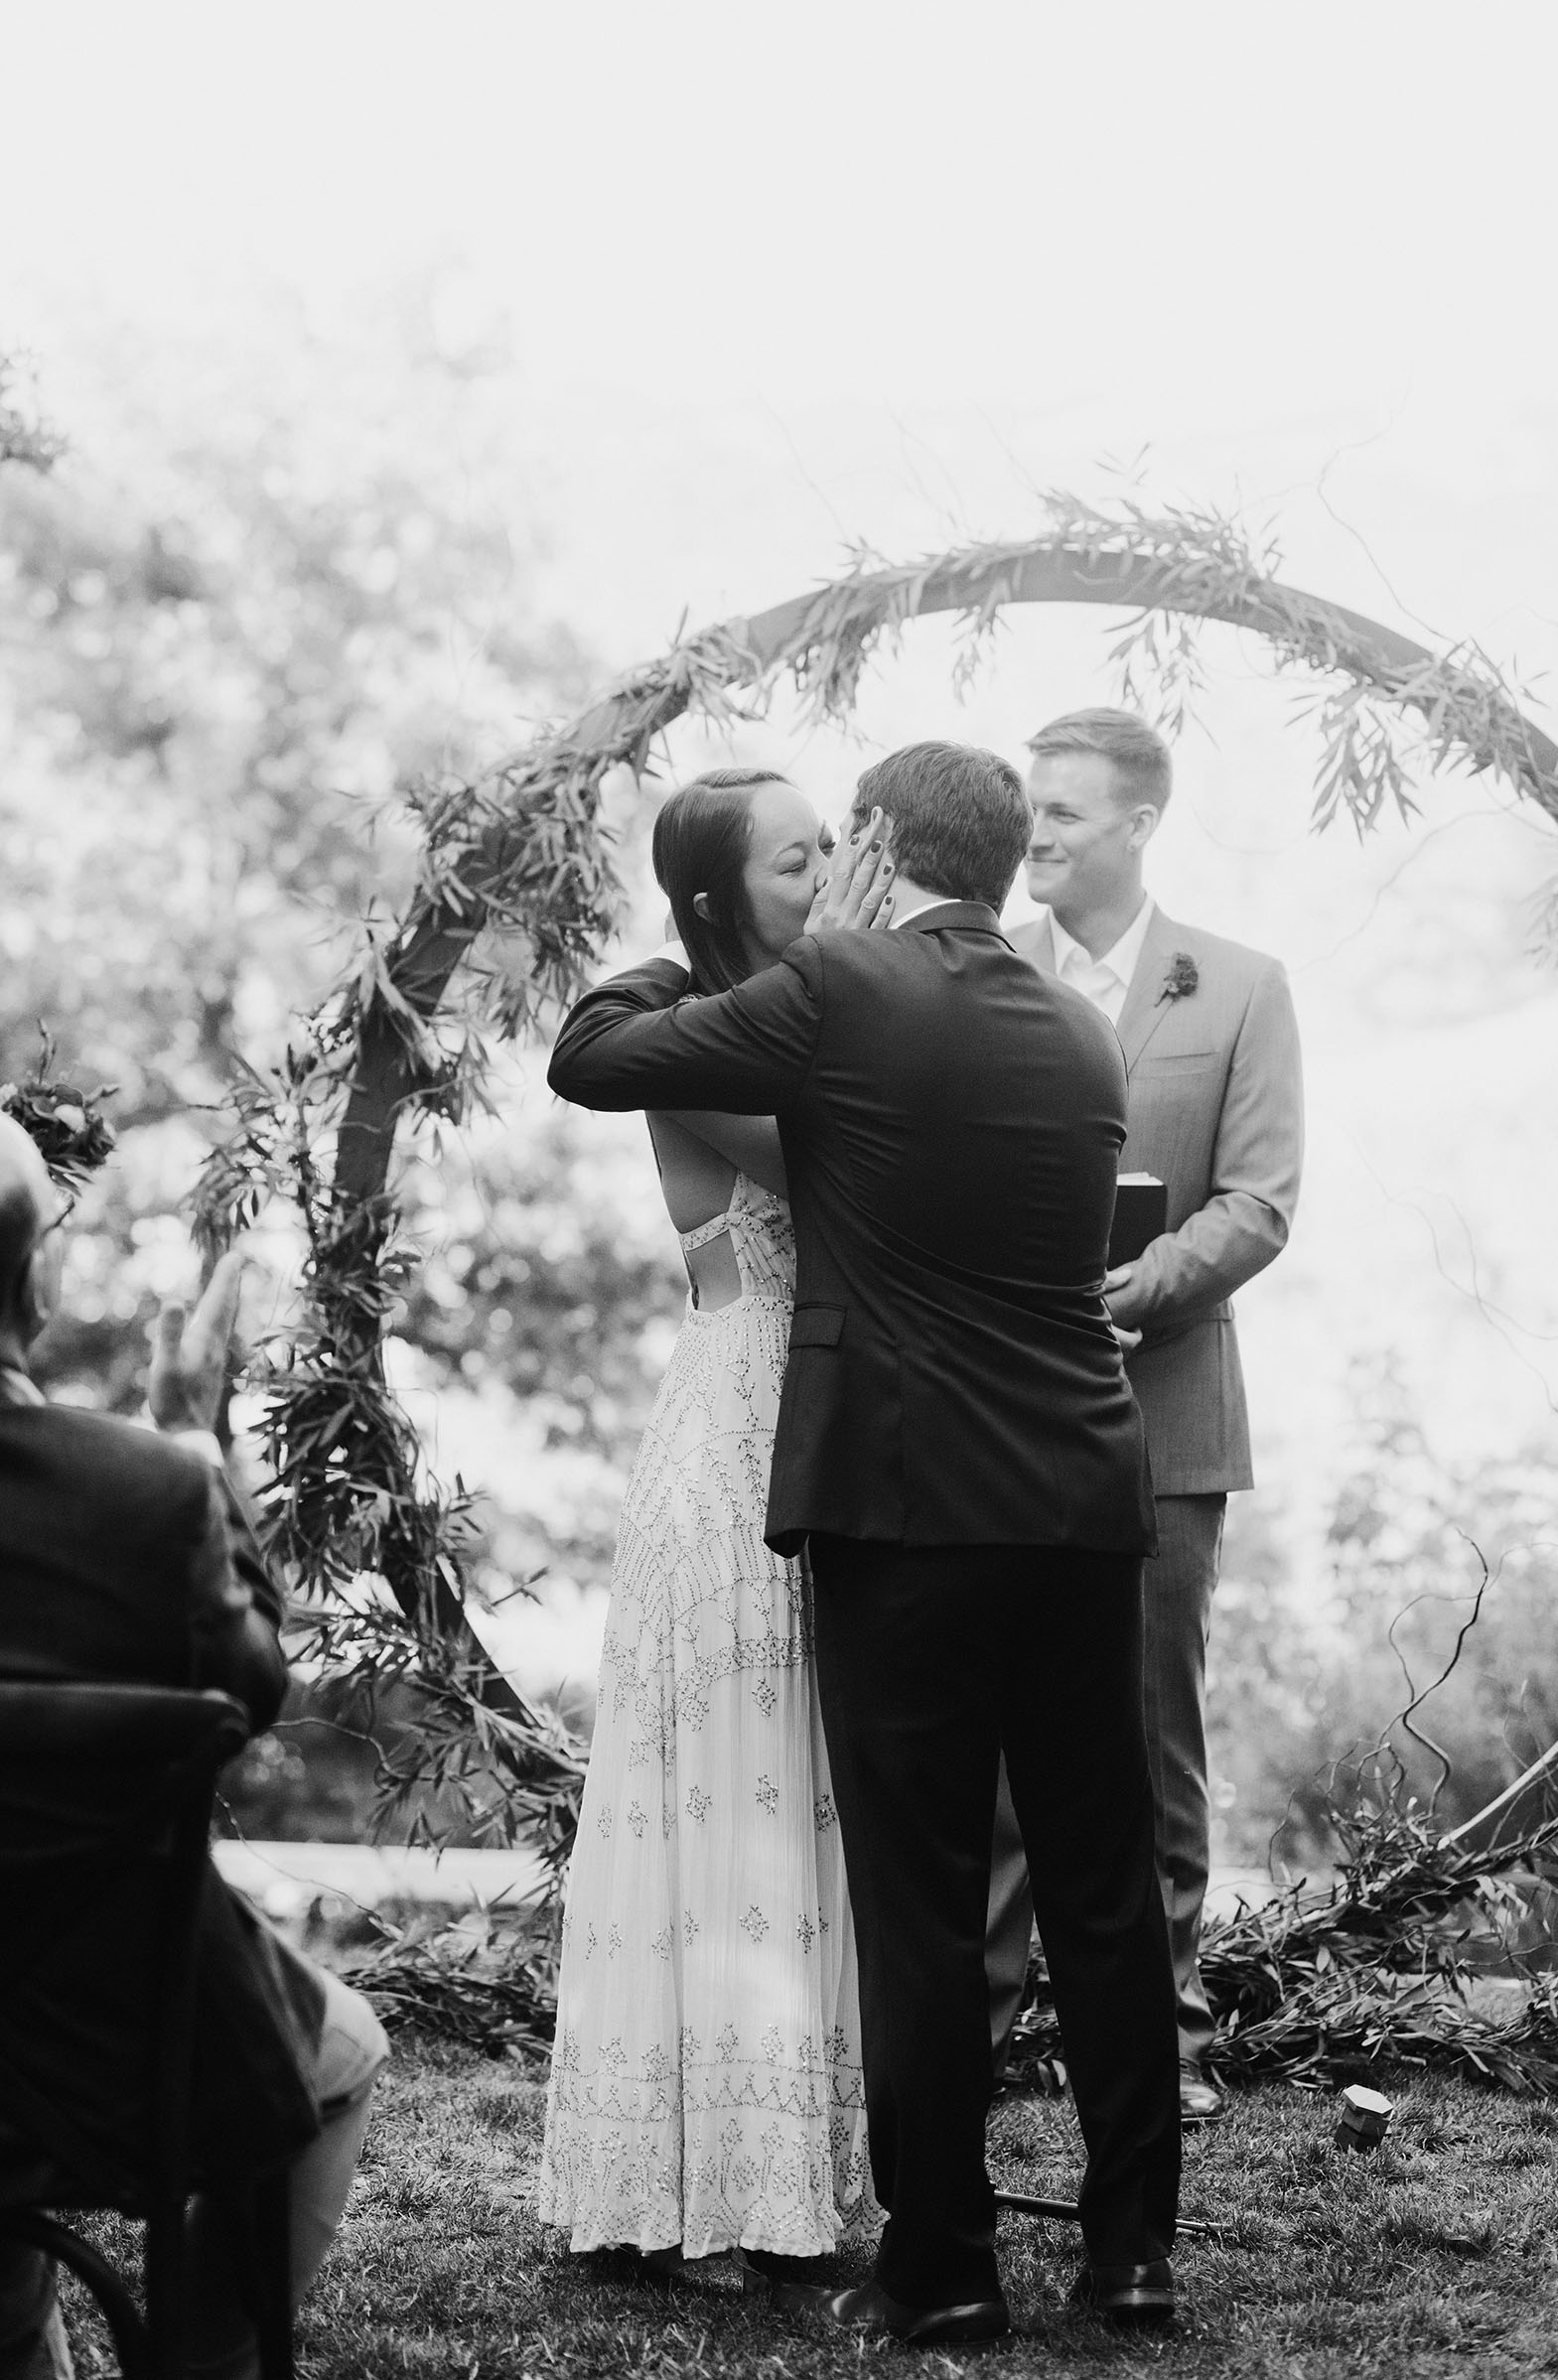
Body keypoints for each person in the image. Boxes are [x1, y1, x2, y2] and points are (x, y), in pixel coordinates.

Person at [548, 741, 1182, 2347]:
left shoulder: (839, 992)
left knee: (919, 1898)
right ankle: (1132, 2257)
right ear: (1006, 859)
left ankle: (948, 2262)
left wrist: (695, 934)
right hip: (1088, 1501)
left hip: (911, 1507)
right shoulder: (1079, 1030)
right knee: (1106, 1892)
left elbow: (596, 1054)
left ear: (886, 843)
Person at [531, 768, 893, 2276]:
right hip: (738, 1421)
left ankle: (793, 2169)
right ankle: (699, 2192)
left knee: (804, 1775)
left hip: (839, 1426)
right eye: (802, 857)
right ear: (715, 896)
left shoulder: (824, 1007)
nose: (831, 872)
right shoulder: (683, 1039)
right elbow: (838, 1154)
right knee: (729, 1776)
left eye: (835, 847)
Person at [0, 1116, 388, 2380]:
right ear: (37, 1279)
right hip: (96, 2053)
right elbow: (249, 1685)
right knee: (344, 2054)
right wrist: (194, 1439)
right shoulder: (140, 1496)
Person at [988, 707, 1304, 2123]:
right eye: (1027, 810)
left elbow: (1262, 1198)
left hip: (1167, 1410)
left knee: (1147, 1730)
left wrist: (1141, 1286)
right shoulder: (978, 975)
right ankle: (980, 2031)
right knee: (987, 1725)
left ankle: (1163, 2039)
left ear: (1136, 825)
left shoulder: (1237, 985)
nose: (1034, 834)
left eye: (1060, 811)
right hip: (990, 1416)